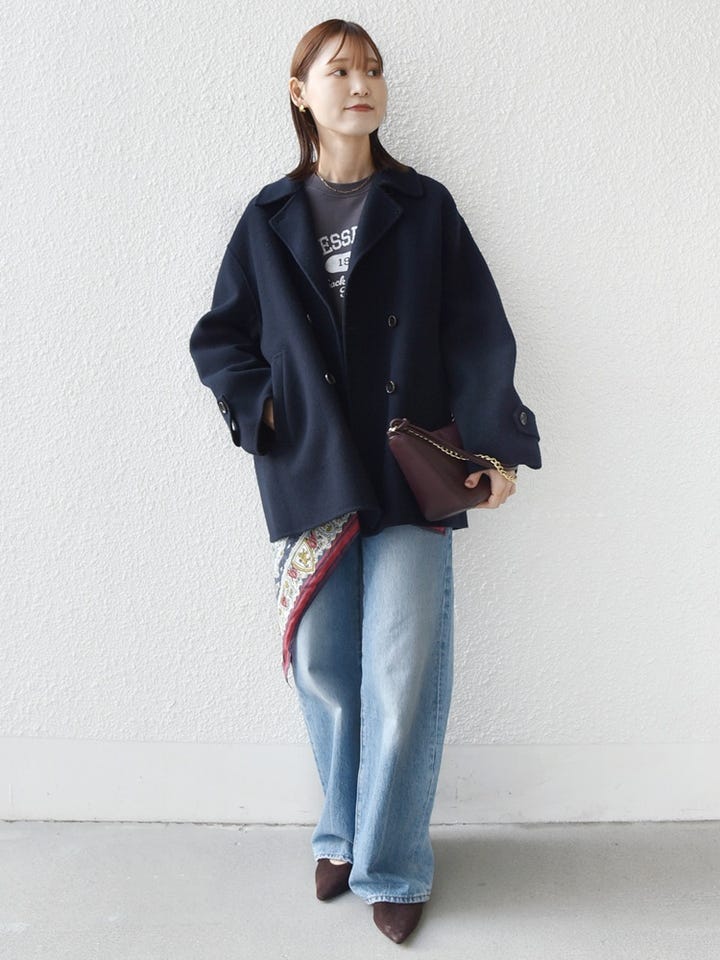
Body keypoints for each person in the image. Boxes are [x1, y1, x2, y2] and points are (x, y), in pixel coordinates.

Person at [189, 18, 542, 944]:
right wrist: (266, 412)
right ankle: (342, 832)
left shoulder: (424, 207)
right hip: (312, 471)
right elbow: (220, 338)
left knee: (402, 668)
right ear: (300, 92)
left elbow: (476, 331)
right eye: (339, 70)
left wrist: (492, 450)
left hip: (408, 474)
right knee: (322, 668)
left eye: (373, 70)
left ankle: (392, 863)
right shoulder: (267, 217)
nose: (361, 84)